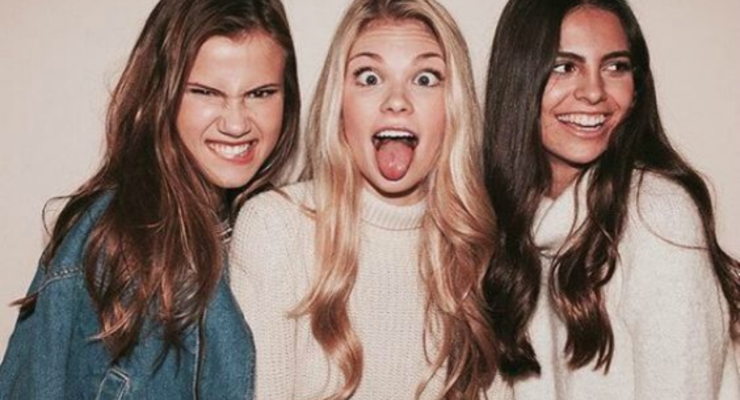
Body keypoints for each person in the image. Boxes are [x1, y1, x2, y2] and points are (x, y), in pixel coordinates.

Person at [0, 0, 299, 398]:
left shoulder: (271, 230)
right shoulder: (109, 242)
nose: (236, 123)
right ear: (162, 96)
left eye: (260, 93)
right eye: (206, 92)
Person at [230, 0, 510, 398]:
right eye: (370, 77)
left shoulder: (479, 243)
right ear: (339, 102)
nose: (396, 100)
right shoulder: (276, 228)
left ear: (454, 107)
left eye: (425, 78)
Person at [481, 0, 740, 399]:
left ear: (637, 89)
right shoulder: (504, 222)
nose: (593, 92)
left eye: (616, 66)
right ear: (518, 80)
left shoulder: (656, 214)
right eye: (564, 66)